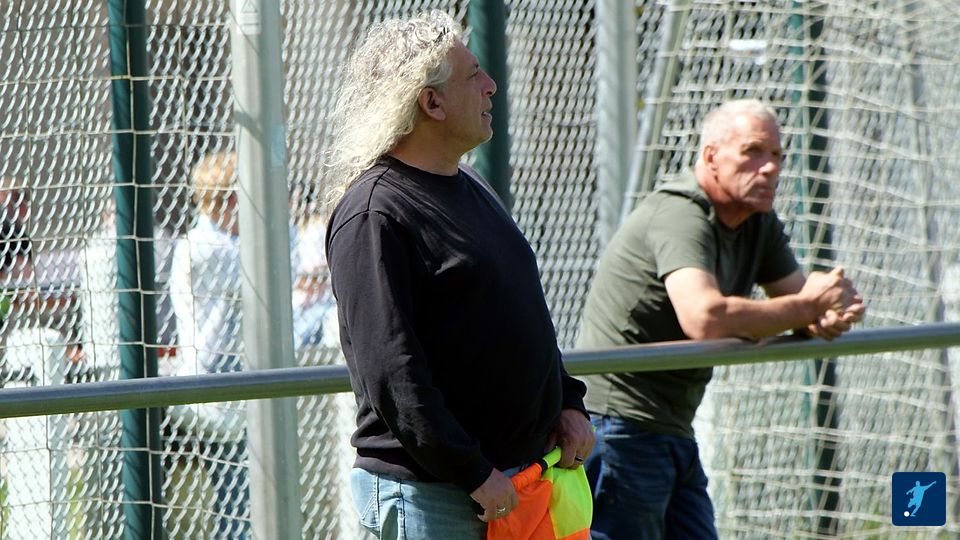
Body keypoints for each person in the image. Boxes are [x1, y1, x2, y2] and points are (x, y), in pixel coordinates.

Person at [324, 10, 595, 539]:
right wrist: (471, 471)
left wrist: (568, 401)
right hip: (437, 495)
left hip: (515, 481)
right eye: (473, 75)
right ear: (431, 103)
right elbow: (392, 372)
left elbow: (522, 314)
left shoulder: (470, 184)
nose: (491, 85)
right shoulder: (375, 211)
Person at [577, 99, 866, 539]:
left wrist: (829, 311)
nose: (770, 167)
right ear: (711, 156)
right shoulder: (681, 212)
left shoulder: (757, 221)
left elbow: (801, 302)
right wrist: (810, 307)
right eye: (753, 151)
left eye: (777, 155)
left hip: (672, 427)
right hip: (617, 424)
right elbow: (705, 318)